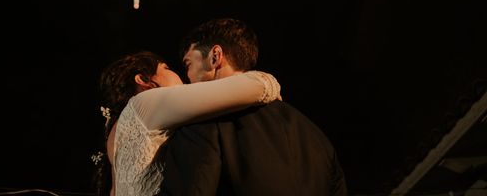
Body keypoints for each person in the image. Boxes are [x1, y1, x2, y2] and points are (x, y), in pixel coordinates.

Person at [157, 18, 348, 196]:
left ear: (215, 57)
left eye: (188, 64)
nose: (187, 78)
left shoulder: (202, 121)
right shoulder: (316, 135)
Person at [95, 50, 282, 196]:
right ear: (144, 80)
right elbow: (259, 85)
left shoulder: (116, 129)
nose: (181, 75)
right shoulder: (146, 103)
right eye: (166, 68)